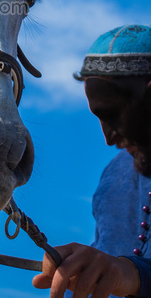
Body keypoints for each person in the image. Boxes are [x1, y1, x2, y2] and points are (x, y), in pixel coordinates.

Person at [32, 24, 151, 298]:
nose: (108, 138)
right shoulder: (114, 175)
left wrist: (131, 274)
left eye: (112, 113)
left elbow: (125, 273)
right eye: (98, 117)